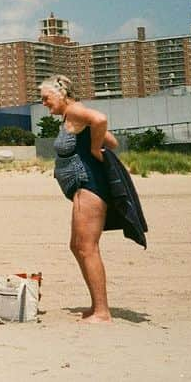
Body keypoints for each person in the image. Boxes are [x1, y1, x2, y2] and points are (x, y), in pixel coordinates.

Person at [39, 74, 118, 324]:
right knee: (77, 246)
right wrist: (95, 141)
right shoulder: (72, 115)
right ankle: (97, 306)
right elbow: (112, 140)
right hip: (83, 189)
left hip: (89, 186)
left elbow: (101, 119)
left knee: (87, 247)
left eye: (46, 98)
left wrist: (94, 150)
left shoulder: (75, 111)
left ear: (60, 94)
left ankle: (102, 311)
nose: (44, 103)